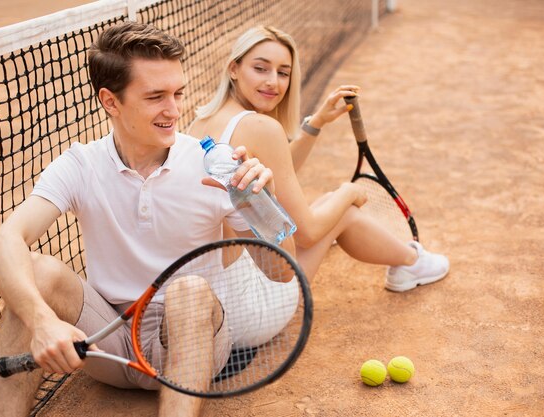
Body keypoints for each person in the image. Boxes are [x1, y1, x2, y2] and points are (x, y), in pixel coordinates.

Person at [0, 22, 294, 417]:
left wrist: (262, 204)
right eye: (156, 97)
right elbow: (2, 243)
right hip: (107, 341)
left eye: (177, 93)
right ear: (111, 101)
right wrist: (41, 320)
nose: (174, 110)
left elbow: (283, 271)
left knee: (190, 290)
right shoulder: (81, 164)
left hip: (190, 344)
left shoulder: (214, 164)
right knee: (37, 271)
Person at [188, 25, 450, 290]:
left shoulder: (202, 121)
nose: (272, 81)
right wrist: (350, 191)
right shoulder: (261, 127)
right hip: (257, 289)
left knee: (327, 203)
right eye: (260, 68)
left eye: (283, 73)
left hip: (213, 282)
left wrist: (316, 124)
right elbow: (307, 233)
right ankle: (411, 261)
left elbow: (279, 169)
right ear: (234, 68)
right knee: (343, 210)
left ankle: (408, 262)